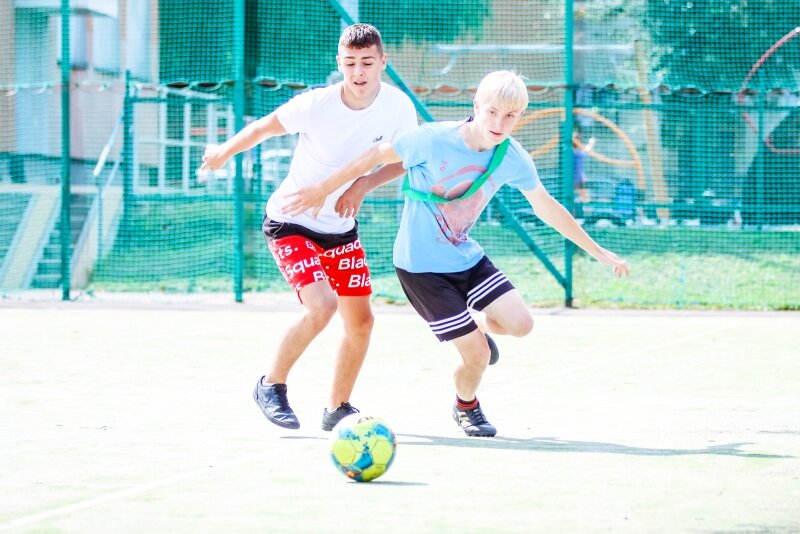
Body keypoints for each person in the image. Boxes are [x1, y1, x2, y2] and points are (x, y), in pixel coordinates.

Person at [282, 70, 629, 437]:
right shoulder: (433, 139)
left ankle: (477, 327)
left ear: (520, 116)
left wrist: (597, 250)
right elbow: (375, 155)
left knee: (522, 325)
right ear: (476, 105)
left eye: (510, 116)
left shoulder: (512, 157)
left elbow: (546, 206)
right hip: (421, 268)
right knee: (478, 355)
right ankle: (466, 407)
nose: (499, 123)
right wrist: (328, 188)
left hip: (465, 258)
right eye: (492, 112)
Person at [199, 24, 418, 431]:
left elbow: (406, 159)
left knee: (361, 322)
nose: (358, 71)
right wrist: (224, 152)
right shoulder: (316, 104)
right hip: (291, 221)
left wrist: (363, 185)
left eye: (367, 62)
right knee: (322, 306)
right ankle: (270, 385)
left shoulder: (398, 107)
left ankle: (337, 407)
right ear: (339, 63)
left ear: (382, 63)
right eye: (350, 63)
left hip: (341, 228)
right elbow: (263, 127)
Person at [572, 131, 596, 205]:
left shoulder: (573, 152)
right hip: (576, 179)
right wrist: (591, 143)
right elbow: (586, 151)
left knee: (583, 197)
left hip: (576, 178)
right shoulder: (575, 153)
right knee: (585, 197)